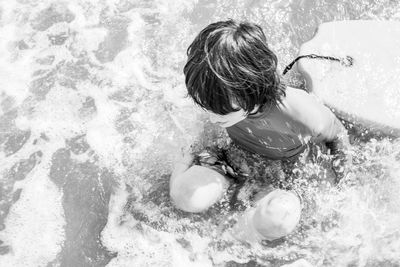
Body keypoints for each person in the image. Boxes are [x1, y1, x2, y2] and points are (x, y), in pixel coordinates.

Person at [183, 20, 349, 161]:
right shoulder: (213, 91)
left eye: (222, 111)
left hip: (284, 162)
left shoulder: (299, 112)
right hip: (238, 153)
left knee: (280, 201)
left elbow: (337, 135)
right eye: (206, 107)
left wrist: (342, 181)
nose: (212, 119)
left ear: (252, 89)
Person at [169, 147, 302, 241]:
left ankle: (187, 158)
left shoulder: (261, 217)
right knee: (187, 196)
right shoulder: (285, 178)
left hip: (231, 168)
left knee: (187, 197)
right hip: (234, 161)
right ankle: (186, 159)